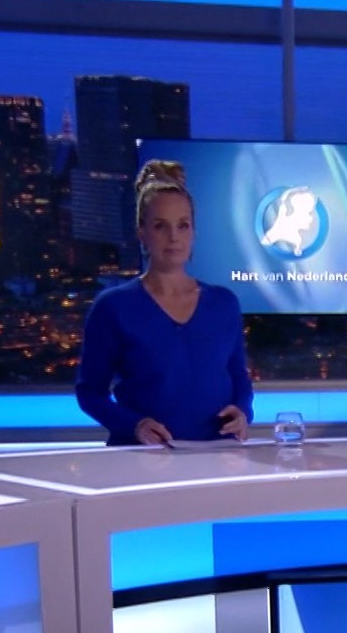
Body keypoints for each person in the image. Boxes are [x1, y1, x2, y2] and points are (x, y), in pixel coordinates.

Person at [76, 159, 253, 445]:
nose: (173, 237)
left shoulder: (224, 303)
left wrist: (243, 412)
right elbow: (90, 393)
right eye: (160, 226)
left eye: (183, 225)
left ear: (193, 232)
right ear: (142, 234)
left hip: (216, 456)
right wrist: (134, 425)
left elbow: (238, 377)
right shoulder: (113, 307)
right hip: (142, 459)